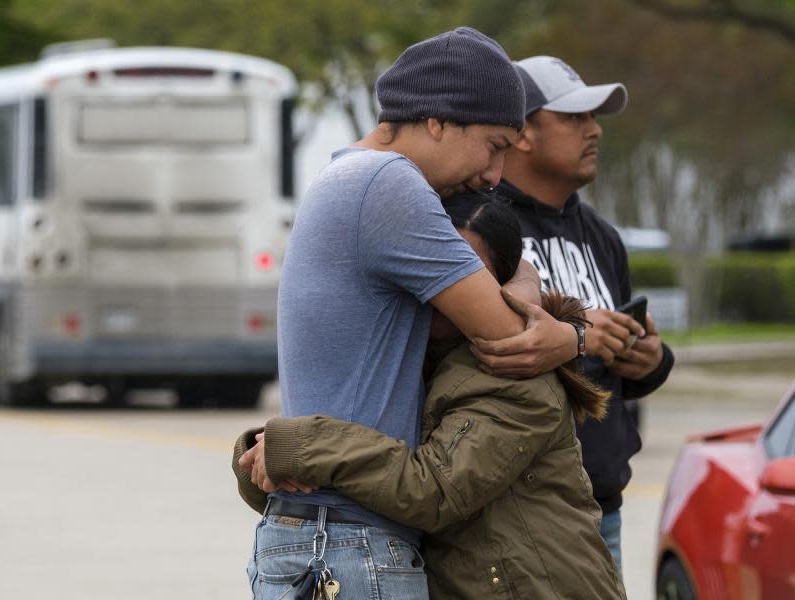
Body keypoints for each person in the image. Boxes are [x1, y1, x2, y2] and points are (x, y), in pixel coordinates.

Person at [245, 29, 580, 600]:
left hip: (322, 535)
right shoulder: (388, 184)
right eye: (495, 145)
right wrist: (550, 308)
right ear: (438, 121)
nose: (496, 175)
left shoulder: (344, 176)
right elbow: (509, 340)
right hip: (351, 544)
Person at [233, 194, 627, 599]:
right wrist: (265, 456)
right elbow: (360, 462)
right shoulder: (415, 354)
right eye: (430, 264)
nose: (440, 282)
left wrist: (302, 445)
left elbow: (435, 490)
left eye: (462, 270)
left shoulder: (513, 372)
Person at [473, 55, 676, 570]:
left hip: (603, 511)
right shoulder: (480, 228)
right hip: (521, 514)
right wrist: (580, 334)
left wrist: (649, 360)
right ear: (521, 133)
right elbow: (473, 358)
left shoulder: (602, 236)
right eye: (574, 117)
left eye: (595, 117)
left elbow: (617, 383)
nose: (595, 131)